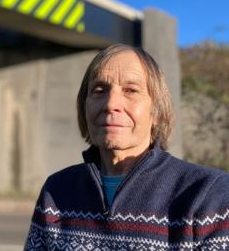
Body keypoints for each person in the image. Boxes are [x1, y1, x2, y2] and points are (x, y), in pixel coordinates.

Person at [23, 44, 229, 251]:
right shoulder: (57, 190)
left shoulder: (208, 195)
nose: (111, 103)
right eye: (99, 90)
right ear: (84, 105)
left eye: (131, 90)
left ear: (157, 111)